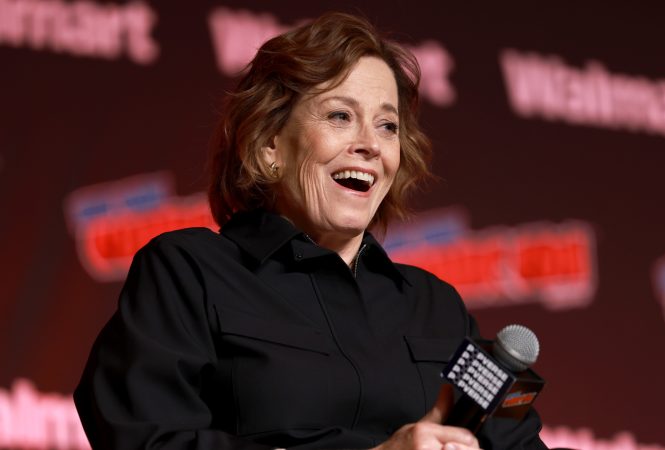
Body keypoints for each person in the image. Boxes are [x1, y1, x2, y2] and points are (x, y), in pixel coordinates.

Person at [74, 11, 548, 450]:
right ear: (268, 147)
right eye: (340, 116)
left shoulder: (437, 308)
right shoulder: (189, 272)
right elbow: (145, 441)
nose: (369, 145)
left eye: (387, 126)